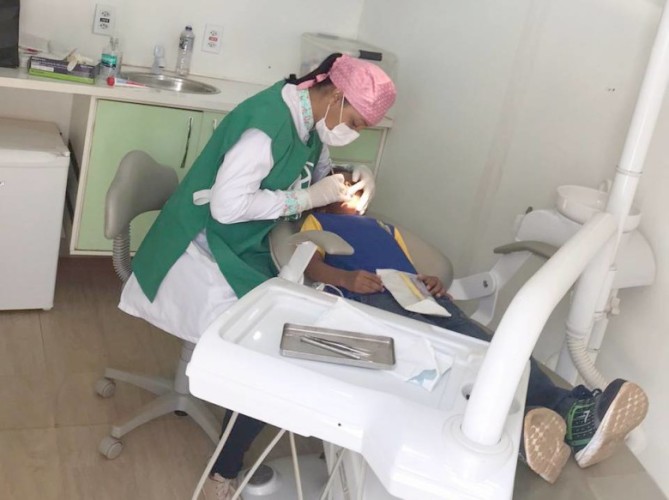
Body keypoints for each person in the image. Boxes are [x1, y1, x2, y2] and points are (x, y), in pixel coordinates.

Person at [117, 54, 397, 499]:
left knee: (285, 321)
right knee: (267, 353)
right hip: (195, 252)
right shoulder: (265, 129)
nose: (354, 132)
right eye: (355, 123)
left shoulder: (310, 122)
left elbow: (316, 174)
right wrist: (304, 199)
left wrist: (352, 178)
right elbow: (228, 207)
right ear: (337, 97)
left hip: (242, 246)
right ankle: (222, 472)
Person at [299, 183, 650, 484]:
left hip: (421, 296)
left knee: (495, 350)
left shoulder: (383, 228)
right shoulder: (320, 222)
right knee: (444, 360)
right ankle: (520, 432)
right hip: (373, 296)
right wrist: (346, 279)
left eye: (356, 189)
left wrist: (430, 282)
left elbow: (409, 268)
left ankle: (572, 415)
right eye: (345, 188)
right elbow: (309, 263)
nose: (353, 193)